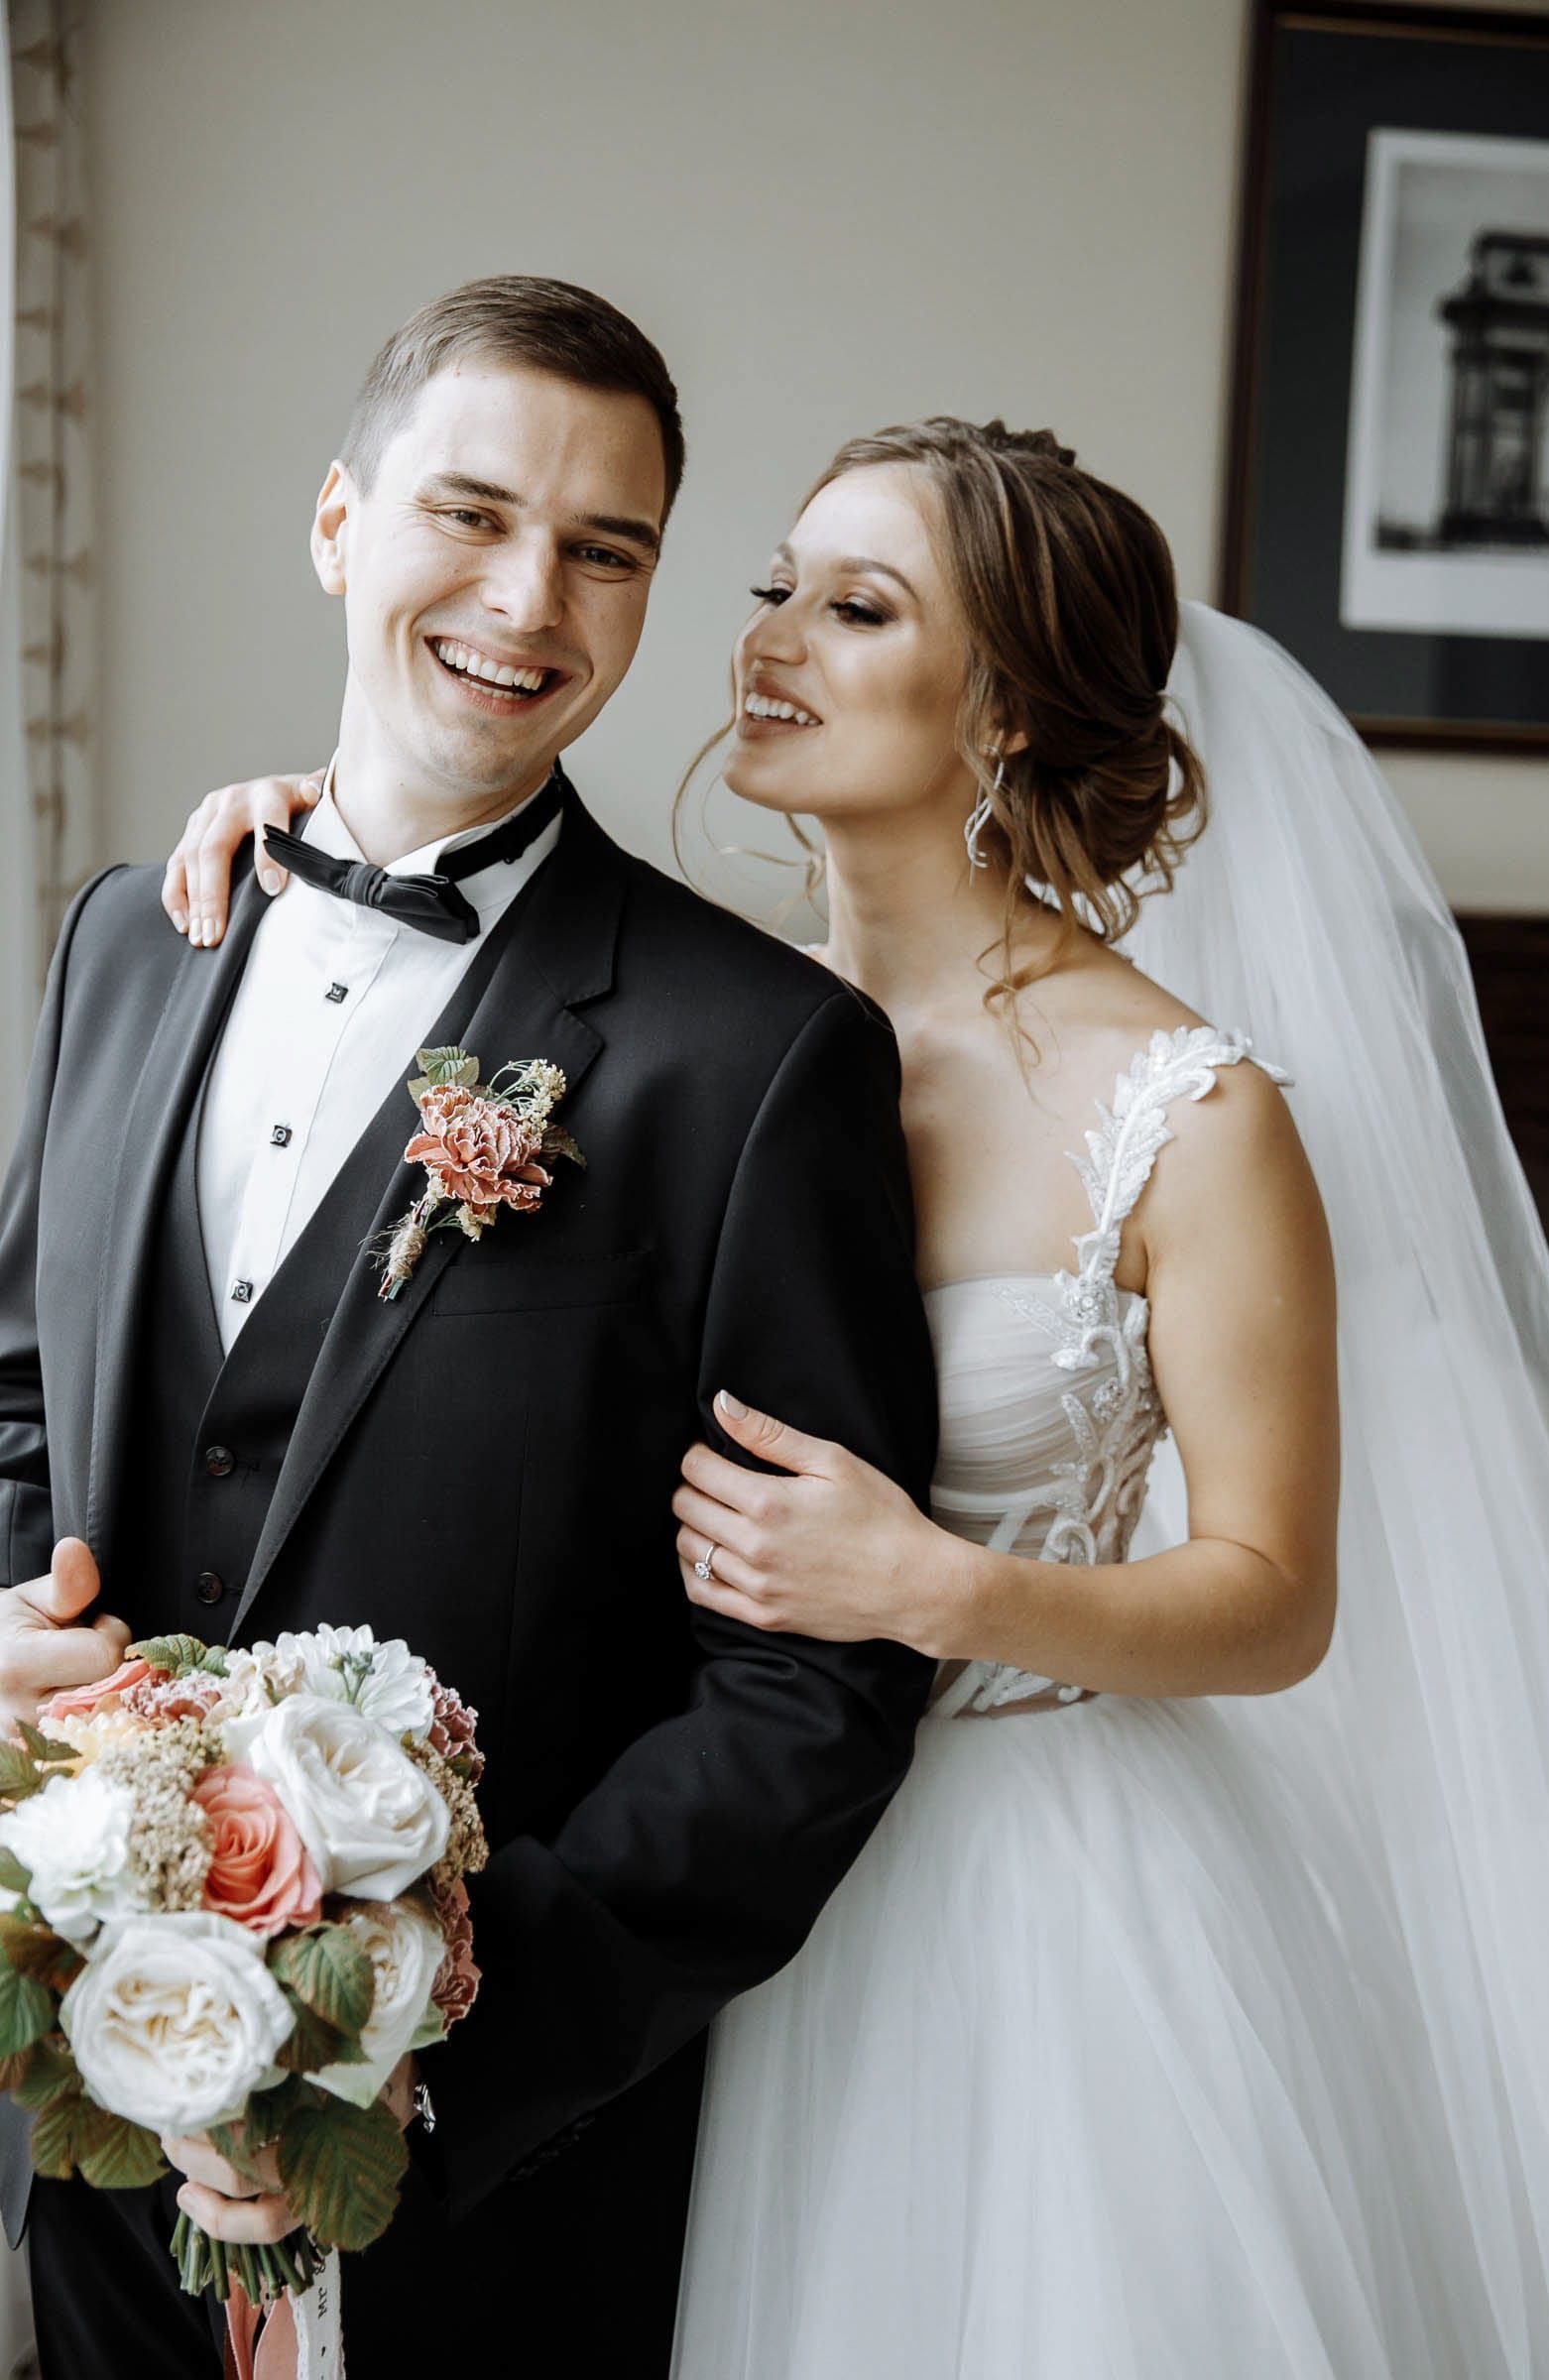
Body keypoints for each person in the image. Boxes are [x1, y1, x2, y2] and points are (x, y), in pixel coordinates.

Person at [178, 416, 1549, 2378]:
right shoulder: (684, 1032)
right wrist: (310, 845)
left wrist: (939, 1588)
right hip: (678, 1876)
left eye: (857, 609)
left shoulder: (1190, 1115)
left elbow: (1276, 1599)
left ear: (1000, 708)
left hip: (1025, 1906)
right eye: (776, 586)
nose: (769, 637)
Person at [0, 278, 941, 2378]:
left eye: (605, 549)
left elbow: (814, 1684)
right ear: (339, 520)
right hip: (79, 2092)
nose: (530, 599)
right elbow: (19, 1400)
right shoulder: (128, 939)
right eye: (471, 512)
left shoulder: (753, 1054)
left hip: (491, 2196)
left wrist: (429, 2040)